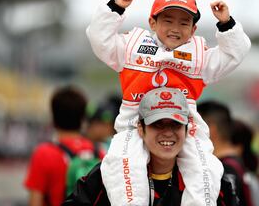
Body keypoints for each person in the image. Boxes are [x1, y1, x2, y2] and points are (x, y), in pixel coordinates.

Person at [86, 0, 251, 206]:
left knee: (207, 170)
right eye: (168, 20)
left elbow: (234, 54)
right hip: (133, 126)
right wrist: (115, 9)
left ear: (194, 29)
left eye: (184, 23)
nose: (175, 29)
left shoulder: (199, 55)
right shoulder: (132, 45)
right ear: (152, 22)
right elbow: (99, 39)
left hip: (186, 129)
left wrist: (227, 24)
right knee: (122, 164)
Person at [63, 87, 238, 206]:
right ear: (141, 128)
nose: (168, 133)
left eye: (175, 125)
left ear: (187, 129)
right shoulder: (112, 171)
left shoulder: (207, 175)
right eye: (158, 124)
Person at [24, 85, 104, 206]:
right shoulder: (98, 152)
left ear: (53, 117)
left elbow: (35, 201)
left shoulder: (43, 154)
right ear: (83, 118)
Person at [198, 101, 259, 206]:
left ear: (211, 129)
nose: (191, 131)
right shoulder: (235, 164)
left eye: (195, 124)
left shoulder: (224, 169)